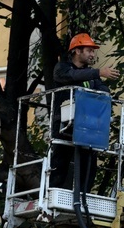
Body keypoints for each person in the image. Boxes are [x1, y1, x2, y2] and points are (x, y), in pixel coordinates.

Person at [50, 33, 119, 190]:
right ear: (77, 51)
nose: (92, 54)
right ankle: (54, 191)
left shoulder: (92, 77)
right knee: (61, 161)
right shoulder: (62, 68)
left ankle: (83, 196)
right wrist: (98, 72)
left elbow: (104, 90)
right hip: (64, 124)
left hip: (86, 125)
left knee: (89, 163)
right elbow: (73, 76)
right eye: (89, 50)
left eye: (93, 51)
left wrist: (103, 89)